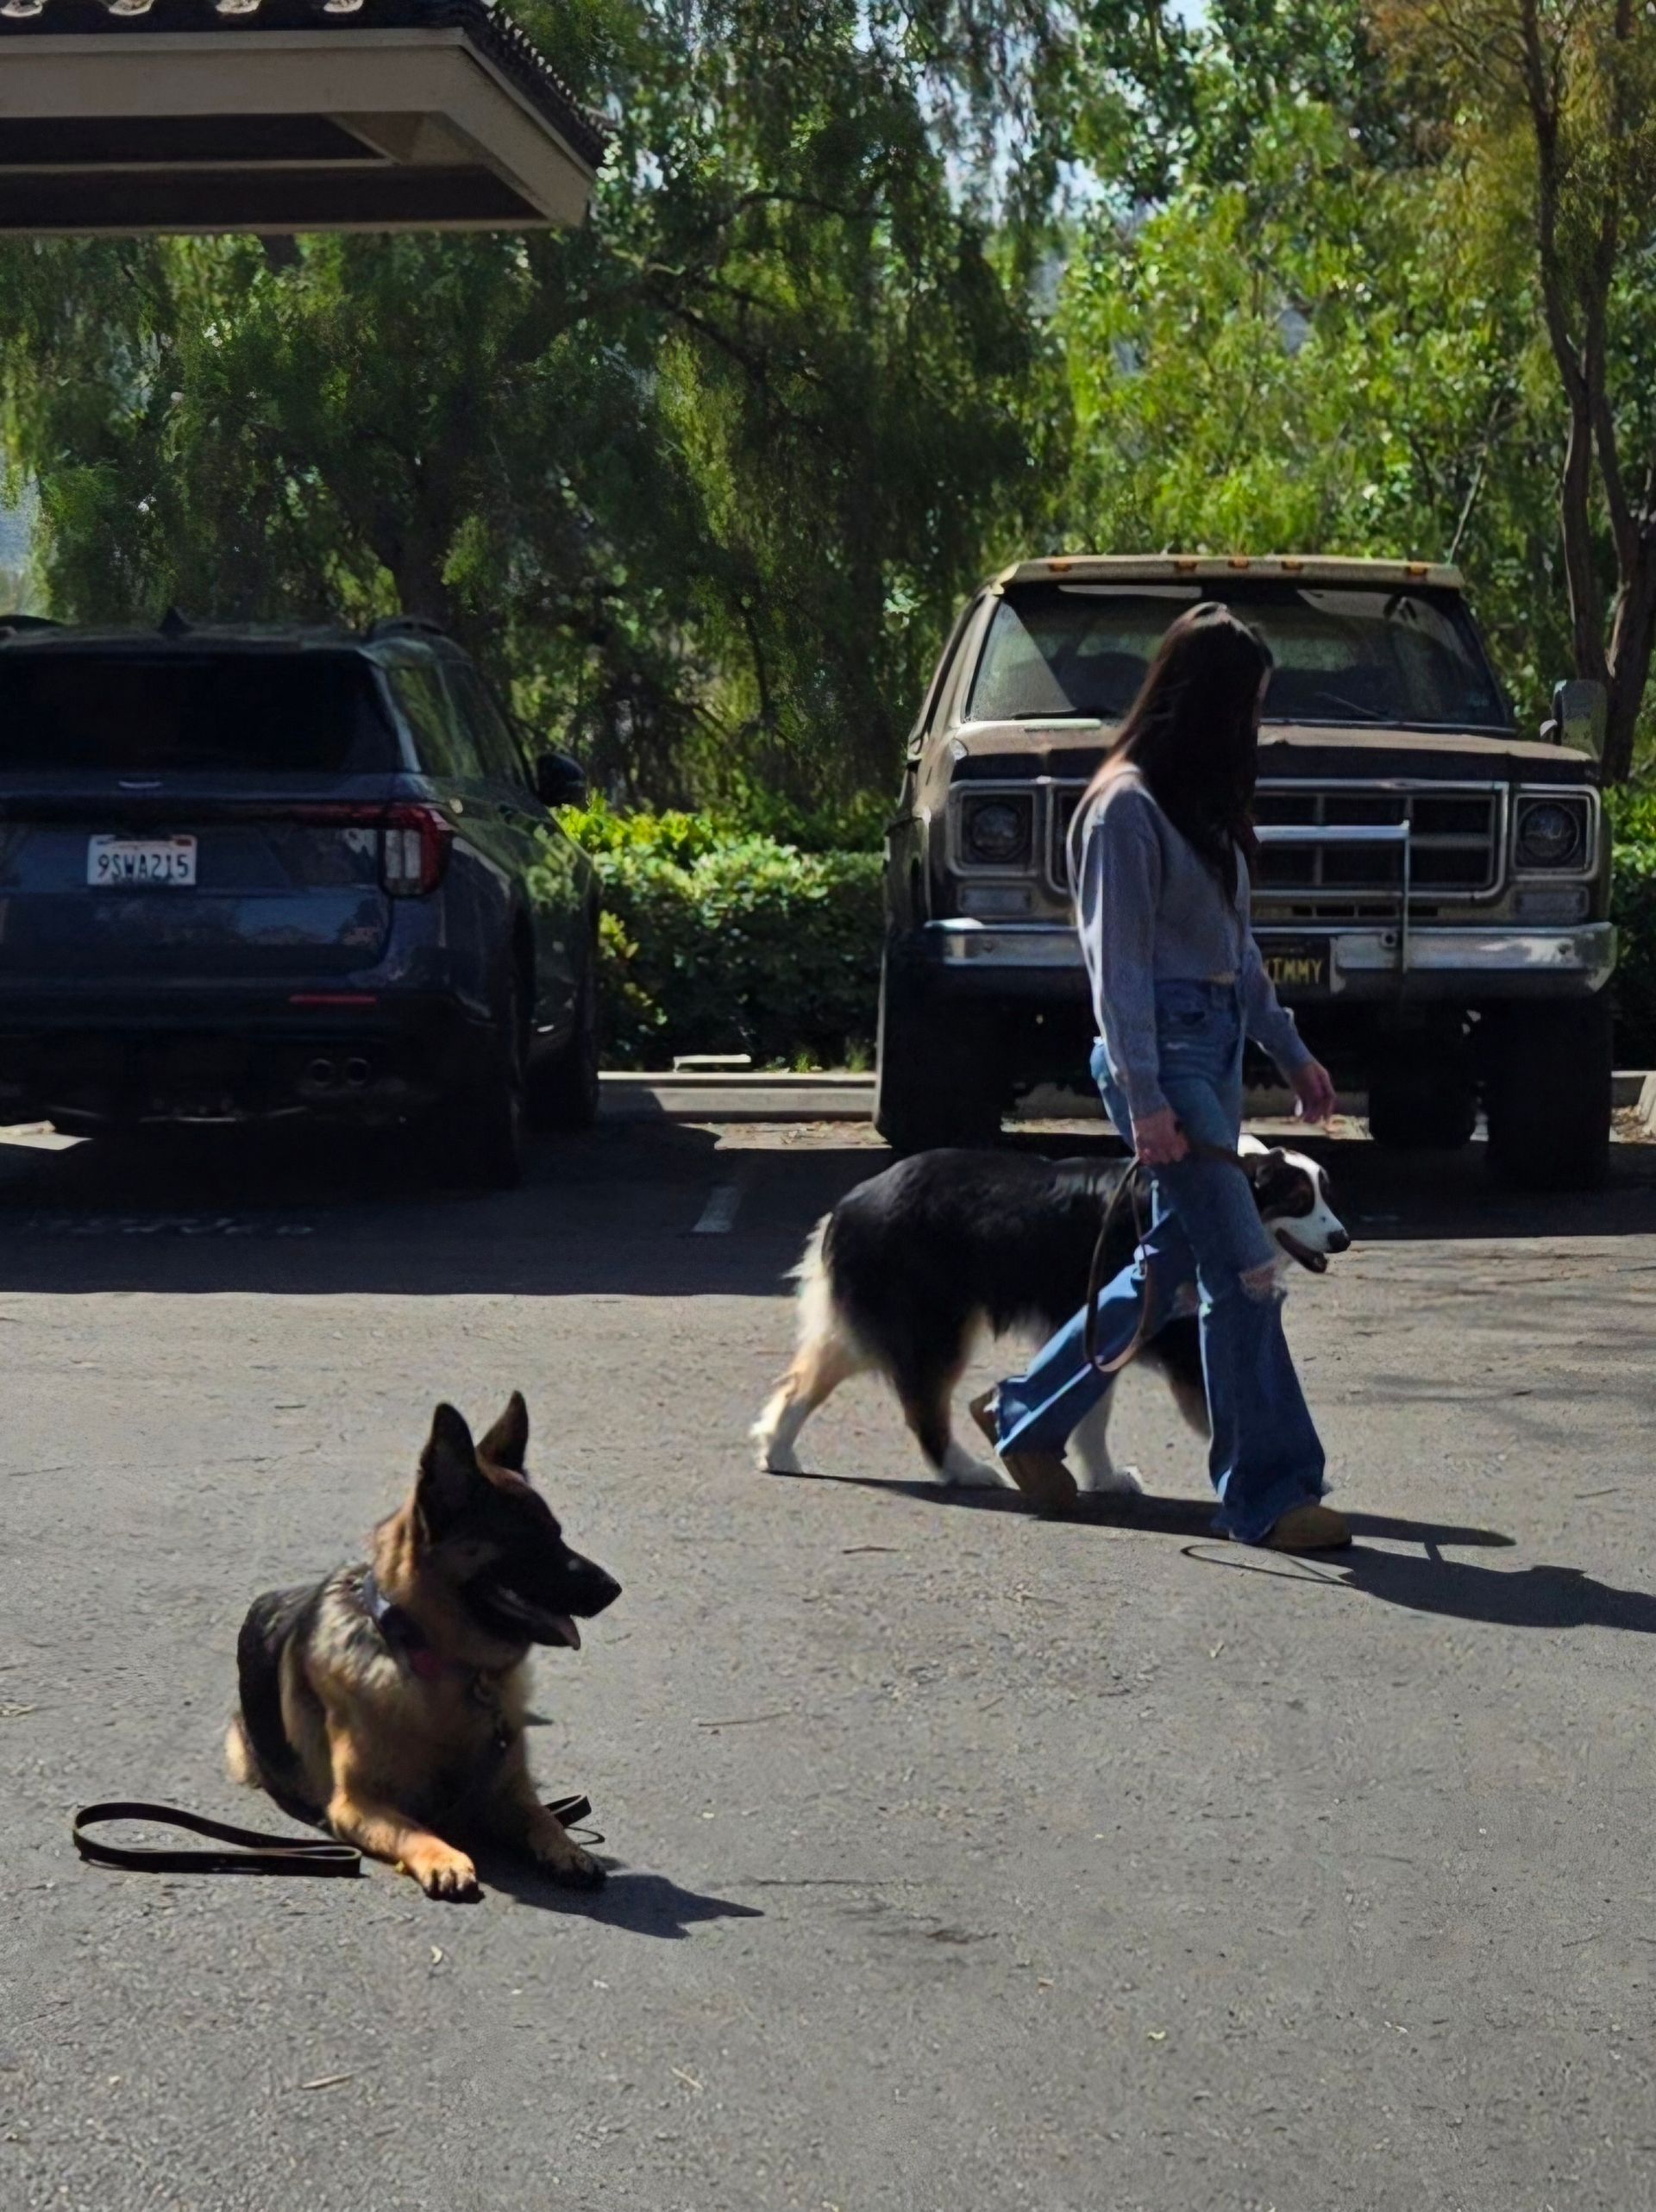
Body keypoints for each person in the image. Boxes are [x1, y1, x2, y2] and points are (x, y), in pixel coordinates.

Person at [977, 603, 1346, 1550]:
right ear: (1203, 706)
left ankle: (1024, 1412)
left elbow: (1240, 954)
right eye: (1247, 711)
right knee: (1247, 1270)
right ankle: (1269, 1492)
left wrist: (1291, 1050)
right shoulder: (1124, 810)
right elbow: (1119, 973)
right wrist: (1144, 1098)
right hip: (1164, 1057)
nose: (1253, 733)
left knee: (1170, 1264)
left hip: (1212, 1047)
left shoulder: (1200, 810)